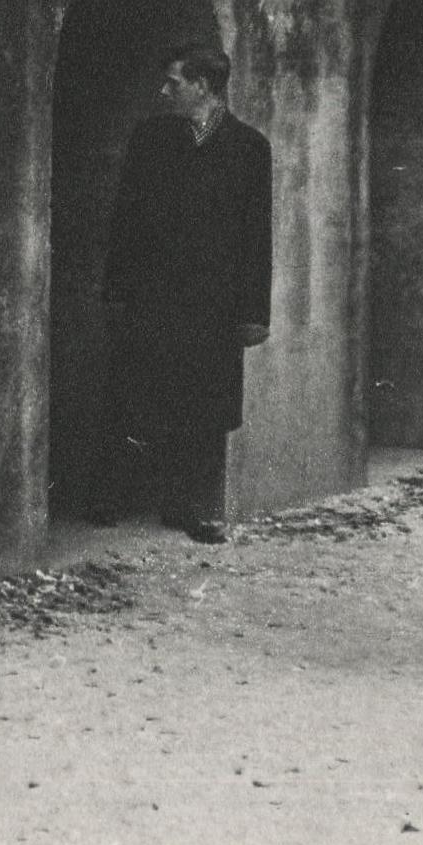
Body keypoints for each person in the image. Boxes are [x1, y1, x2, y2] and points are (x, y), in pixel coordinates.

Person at [102, 43, 272, 543]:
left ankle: (185, 506)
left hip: (213, 307)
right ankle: (111, 495)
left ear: (203, 85)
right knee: (134, 396)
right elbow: (125, 220)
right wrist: (116, 288)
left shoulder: (248, 148)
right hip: (152, 298)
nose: (164, 91)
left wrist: (254, 312)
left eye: (174, 82)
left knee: (200, 408)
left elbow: (257, 236)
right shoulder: (151, 139)